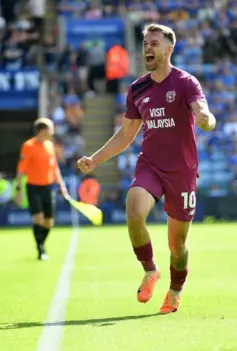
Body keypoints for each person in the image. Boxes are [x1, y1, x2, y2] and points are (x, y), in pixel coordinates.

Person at [76, 23, 216, 313]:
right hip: (150, 165)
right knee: (134, 211)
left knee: (177, 247)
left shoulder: (186, 82)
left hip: (182, 171)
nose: (147, 48)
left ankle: (175, 290)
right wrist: (95, 159)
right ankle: (150, 270)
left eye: (154, 43)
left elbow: (203, 112)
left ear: (169, 48)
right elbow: (126, 135)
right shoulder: (137, 88)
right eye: (145, 44)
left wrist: (206, 120)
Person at [16, 118, 71, 261]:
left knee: (49, 222)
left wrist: (61, 186)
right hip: (33, 187)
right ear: (42, 130)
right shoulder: (28, 146)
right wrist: (18, 190)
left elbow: (54, 168)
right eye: (51, 128)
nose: (53, 131)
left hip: (47, 187)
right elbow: (21, 169)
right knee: (38, 219)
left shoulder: (50, 146)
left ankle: (41, 243)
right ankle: (40, 249)